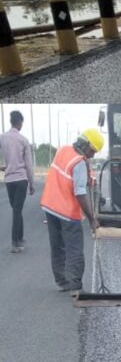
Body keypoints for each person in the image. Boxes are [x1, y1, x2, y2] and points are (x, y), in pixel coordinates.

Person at [40, 129, 103, 294]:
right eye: (92, 151)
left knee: (57, 246)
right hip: (67, 211)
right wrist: (91, 219)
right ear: (86, 144)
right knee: (74, 247)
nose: (92, 155)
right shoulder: (79, 162)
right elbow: (80, 193)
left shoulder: (63, 150)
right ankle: (74, 282)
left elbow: (66, 175)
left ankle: (62, 281)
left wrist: (88, 178)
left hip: (50, 206)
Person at [0, 110, 35, 253]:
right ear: (20, 122)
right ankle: (15, 243)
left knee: (16, 208)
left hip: (9, 180)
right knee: (17, 210)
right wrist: (31, 184)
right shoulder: (23, 140)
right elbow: (28, 164)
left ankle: (20, 237)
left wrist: (4, 167)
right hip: (21, 179)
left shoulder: (2, 138)